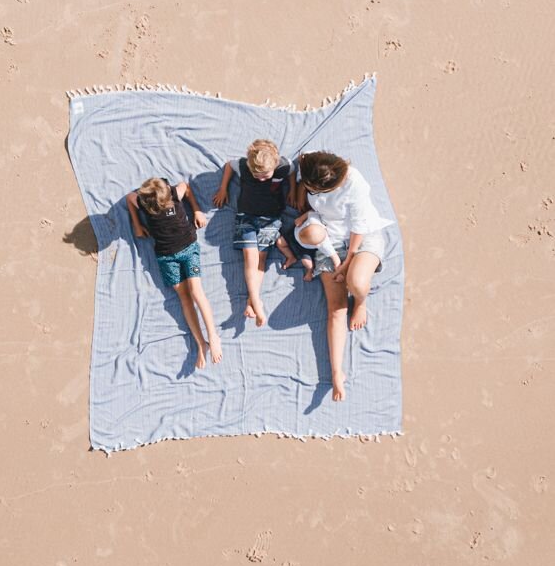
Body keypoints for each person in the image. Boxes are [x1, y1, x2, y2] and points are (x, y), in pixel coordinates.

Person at [295, 151, 392, 401]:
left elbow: (359, 227)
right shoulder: (310, 166)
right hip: (330, 238)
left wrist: (347, 262)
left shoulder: (354, 184)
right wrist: (296, 195)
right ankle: (337, 372)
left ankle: (361, 302)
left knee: (356, 282)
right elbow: (300, 165)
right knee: (336, 310)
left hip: (361, 237)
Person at [126, 177, 222, 370]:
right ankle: (200, 342)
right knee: (184, 298)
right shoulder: (144, 202)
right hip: (166, 257)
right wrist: (137, 224)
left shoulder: (173, 193)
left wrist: (195, 209)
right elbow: (130, 198)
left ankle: (213, 335)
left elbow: (185, 187)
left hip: (189, 248)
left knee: (196, 292)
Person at [212, 139, 295, 326]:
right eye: (257, 176)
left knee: (261, 258)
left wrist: (294, 192)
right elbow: (228, 166)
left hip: (271, 218)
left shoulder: (283, 165)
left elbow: (291, 172)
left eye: (266, 176)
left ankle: (252, 300)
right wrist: (223, 188)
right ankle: (257, 302)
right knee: (250, 257)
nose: (261, 179)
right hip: (246, 216)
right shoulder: (243, 165)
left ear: (274, 164)